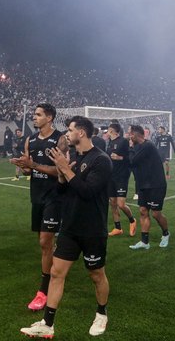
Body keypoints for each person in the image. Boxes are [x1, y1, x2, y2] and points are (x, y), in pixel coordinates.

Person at [20, 116, 111, 338]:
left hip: (92, 230)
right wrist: (61, 176)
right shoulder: (75, 159)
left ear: (81, 132)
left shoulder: (101, 160)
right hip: (70, 228)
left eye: (70, 130)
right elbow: (63, 192)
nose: (66, 134)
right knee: (56, 273)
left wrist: (64, 169)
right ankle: (47, 324)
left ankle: (101, 314)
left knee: (96, 274)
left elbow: (87, 192)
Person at [9, 103, 66, 312]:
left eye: (38, 114)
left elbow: (62, 171)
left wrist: (32, 166)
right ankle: (56, 265)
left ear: (49, 118)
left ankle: (43, 290)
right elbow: (28, 172)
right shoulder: (30, 140)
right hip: (37, 196)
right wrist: (23, 166)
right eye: (34, 114)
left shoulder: (59, 139)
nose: (34, 117)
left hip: (55, 196)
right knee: (44, 245)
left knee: (44, 241)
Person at [127, 125, 170, 250]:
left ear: (135, 135)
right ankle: (145, 242)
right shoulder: (139, 146)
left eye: (130, 134)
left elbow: (132, 161)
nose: (129, 137)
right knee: (143, 211)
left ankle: (166, 234)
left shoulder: (147, 146)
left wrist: (130, 148)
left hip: (156, 185)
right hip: (143, 184)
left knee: (156, 214)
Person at [105, 122, 136, 237]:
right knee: (112, 203)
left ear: (112, 130)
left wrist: (120, 157)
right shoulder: (109, 143)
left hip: (121, 176)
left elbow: (131, 157)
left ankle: (132, 220)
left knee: (121, 204)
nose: (107, 132)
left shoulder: (123, 141)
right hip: (111, 176)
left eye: (108, 130)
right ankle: (118, 228)